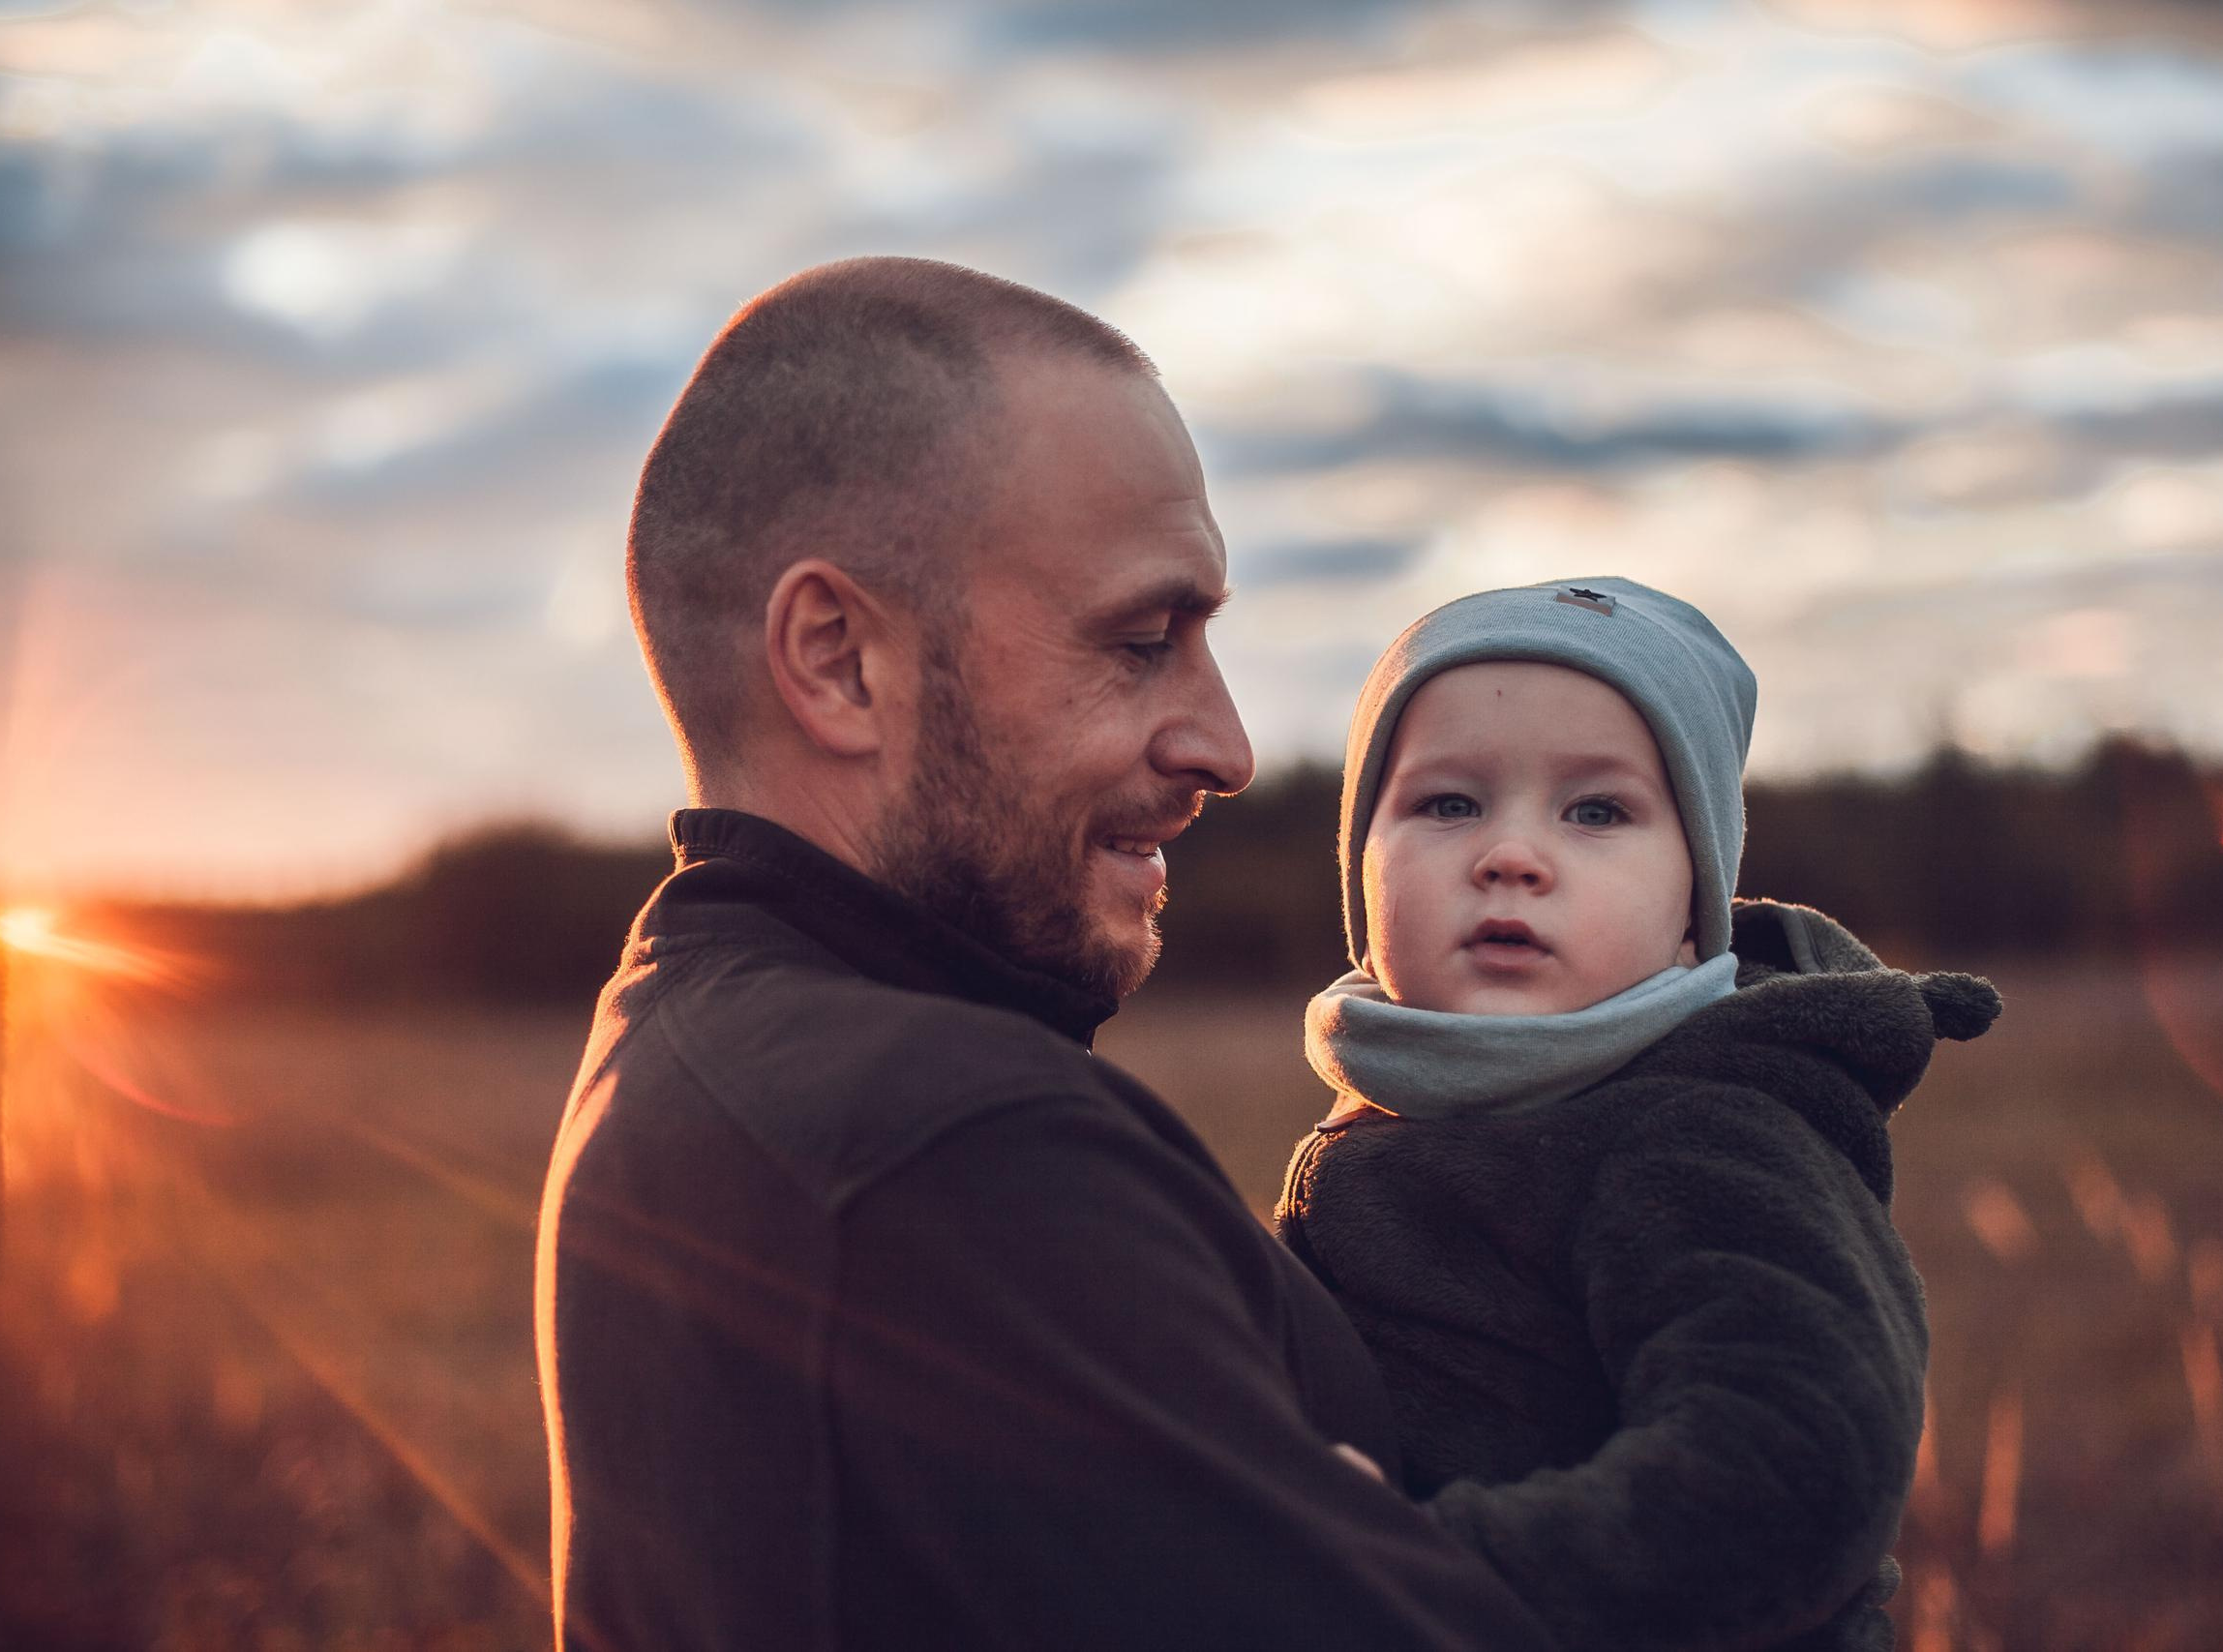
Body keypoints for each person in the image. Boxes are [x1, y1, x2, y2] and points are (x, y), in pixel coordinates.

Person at [532, 257, 1560, 1651]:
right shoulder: (947, 1143)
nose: (1227, 745)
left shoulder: (692, 1037)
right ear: (839, 660)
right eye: (1141, 641)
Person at [1276, 578, 2002, 1651]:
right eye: (1447, 803)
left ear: (1689, 921)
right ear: (1360, 869)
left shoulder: (1702, 1133)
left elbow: (1790, 1470)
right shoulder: (1390, 1124)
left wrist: (1415, 1573)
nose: (1510, 855)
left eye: (1596, 811)